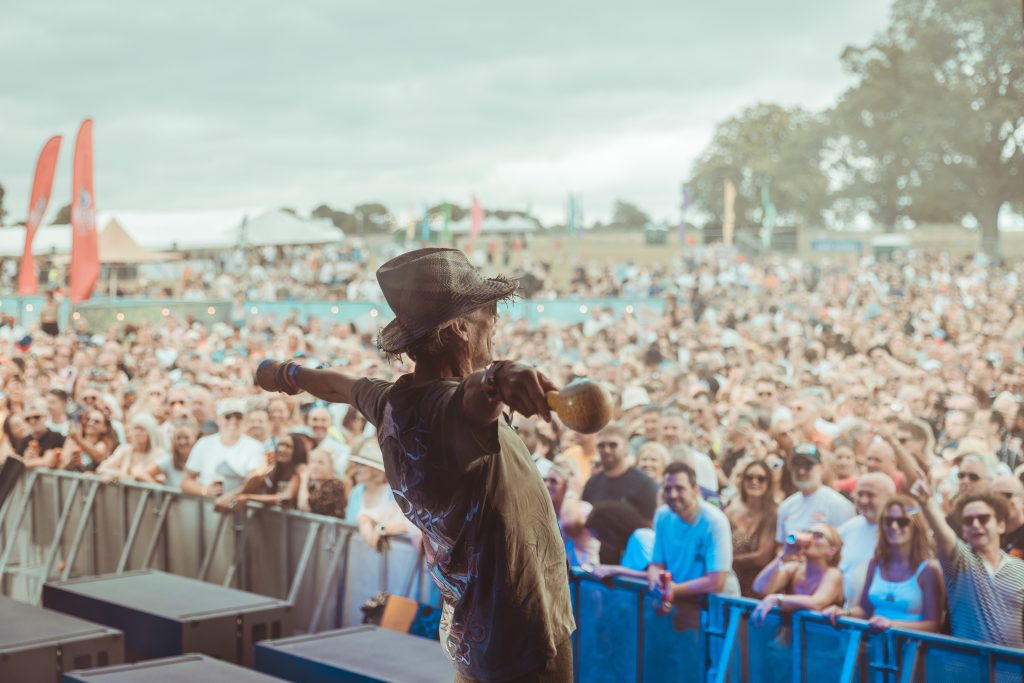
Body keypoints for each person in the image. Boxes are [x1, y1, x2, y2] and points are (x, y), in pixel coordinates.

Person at [255, 248, 574, 682]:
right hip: (522, 635)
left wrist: (285, 374)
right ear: (460, 326)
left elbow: (339, 386)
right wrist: (501, 377)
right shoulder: (448, 410)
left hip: (475, 630)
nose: (495, 324)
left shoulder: (390, 402)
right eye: (489, 314)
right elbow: (472, 398)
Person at [910, 478, 1024, 648]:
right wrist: (927, 504)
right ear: (963, 530)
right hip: (966, 668)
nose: (976, 525)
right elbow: (943, 535)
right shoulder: (960, 561)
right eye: (968, 521)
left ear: (1000, 525)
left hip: (1011, 671)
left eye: (983, 518)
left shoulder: (1020, 569)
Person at [823, 494, 944, 632]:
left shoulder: (928, 569)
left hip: (911, 649)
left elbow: (933, 624)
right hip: (875, 645)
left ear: (915, 526)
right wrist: (844, 612)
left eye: (902, 521)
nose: (894, 526)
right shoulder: (876, 563)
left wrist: (891, 624)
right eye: (888, 520)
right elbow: (865, 610)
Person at [646, 462, 740, 603]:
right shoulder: (662, 515)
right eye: (667, 489)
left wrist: (673, 590)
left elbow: (716, 582)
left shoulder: (714, 521)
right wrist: (656, 582)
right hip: (682, 599)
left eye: (679, 488)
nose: (672, 495)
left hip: (716, 604)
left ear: (695, 490)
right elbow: (656, 564)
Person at [751, 523, 844, 625]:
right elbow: (760, 588)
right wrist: (783, 554)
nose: (810, 538)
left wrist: (777, 599)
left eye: (818, 536)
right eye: (808, 533)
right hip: (788, 638)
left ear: (832, 550)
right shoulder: (793, 569)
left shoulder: (833, 574)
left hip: (821, 638)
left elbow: (816, 603)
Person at [180, 398, 266, 498]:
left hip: (239, 509)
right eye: (228, 417)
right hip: (206, 509)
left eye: (238, 417)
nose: (233, 421)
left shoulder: (255, 447)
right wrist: (204, 491)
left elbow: (255, 481)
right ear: (218, 419)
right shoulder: (204, 444)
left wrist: (230, 497)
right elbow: (185, 481)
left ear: (244, 420)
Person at [776, 443, 855, 545]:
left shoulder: (839, 505)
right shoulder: (786, 506)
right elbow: (781, 546)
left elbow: (846, 546)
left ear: (821, 468)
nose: (801, 471)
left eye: (808, 466)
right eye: (797, 466)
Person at [837, 472, 896, 606]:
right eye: (860, 494)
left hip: (881, 616)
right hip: (846, 612)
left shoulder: (900, 532)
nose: (863, 500)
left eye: (870, 495)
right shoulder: (848, 527)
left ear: (890, 498)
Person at [582, 423, 658, 521]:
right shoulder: (592, 483)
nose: (607, 450)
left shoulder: (644, 484)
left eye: (613, 445)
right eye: (601, 445)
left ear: (626, 447)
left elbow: (649, 527)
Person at [726, 460, 778, 597]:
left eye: (761, 479)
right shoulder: (730, 510)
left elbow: (762, 557)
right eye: (749, 477)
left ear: (768, 483)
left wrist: (726, 560)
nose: (754, 482)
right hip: (729, 584)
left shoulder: (773, 514)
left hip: (756, 588)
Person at [217, 432, 305, 511]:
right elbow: (249, 487)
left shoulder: (300, 470)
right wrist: (262, 470)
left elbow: (283, 497)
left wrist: (248, 498)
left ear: (297, 450)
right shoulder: (274, 469)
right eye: (280, 445)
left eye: (288, 446)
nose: (281, 449)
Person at [583, 500, 653, 572]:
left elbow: (655, 575)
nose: (603, 542)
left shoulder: (641, 536)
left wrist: (615, 571)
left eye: (599, 536)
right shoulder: (626, 548)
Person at [97, 413, 167, 483]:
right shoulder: (124, 450)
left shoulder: (159, 454)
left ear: (150, 432)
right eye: (135, 429)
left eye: (142, 429)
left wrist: (127, 478)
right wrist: (116, 474)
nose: (138, 433)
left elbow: (160, 480)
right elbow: (102, 468)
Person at [297, 447, 347, 518]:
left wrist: (304, 480)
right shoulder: (312, 487)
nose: (315, 466)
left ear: (331, 467)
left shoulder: (335, 486)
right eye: (312, 461)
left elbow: (304, 507)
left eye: (321, 463)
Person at [992, 475, 1024, 558]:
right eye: (995, 497)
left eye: (1007, 495)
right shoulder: (989, 533)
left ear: (1022, 499)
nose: (1001, 501)